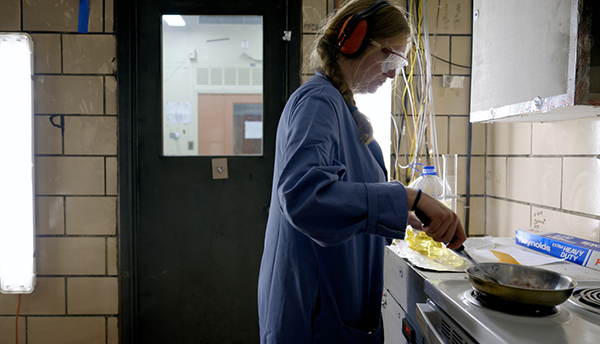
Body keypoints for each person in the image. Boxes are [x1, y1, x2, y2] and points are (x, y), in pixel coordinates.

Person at [257, 1, 466, 343]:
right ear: (355, 41)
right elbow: (306, 198)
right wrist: (410, 196)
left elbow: (348, 203)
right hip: (314, 319)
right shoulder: (318, 103)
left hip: (336, 315)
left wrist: (402, 216)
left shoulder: (341, 110)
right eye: (392, 58)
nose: (394, 73)